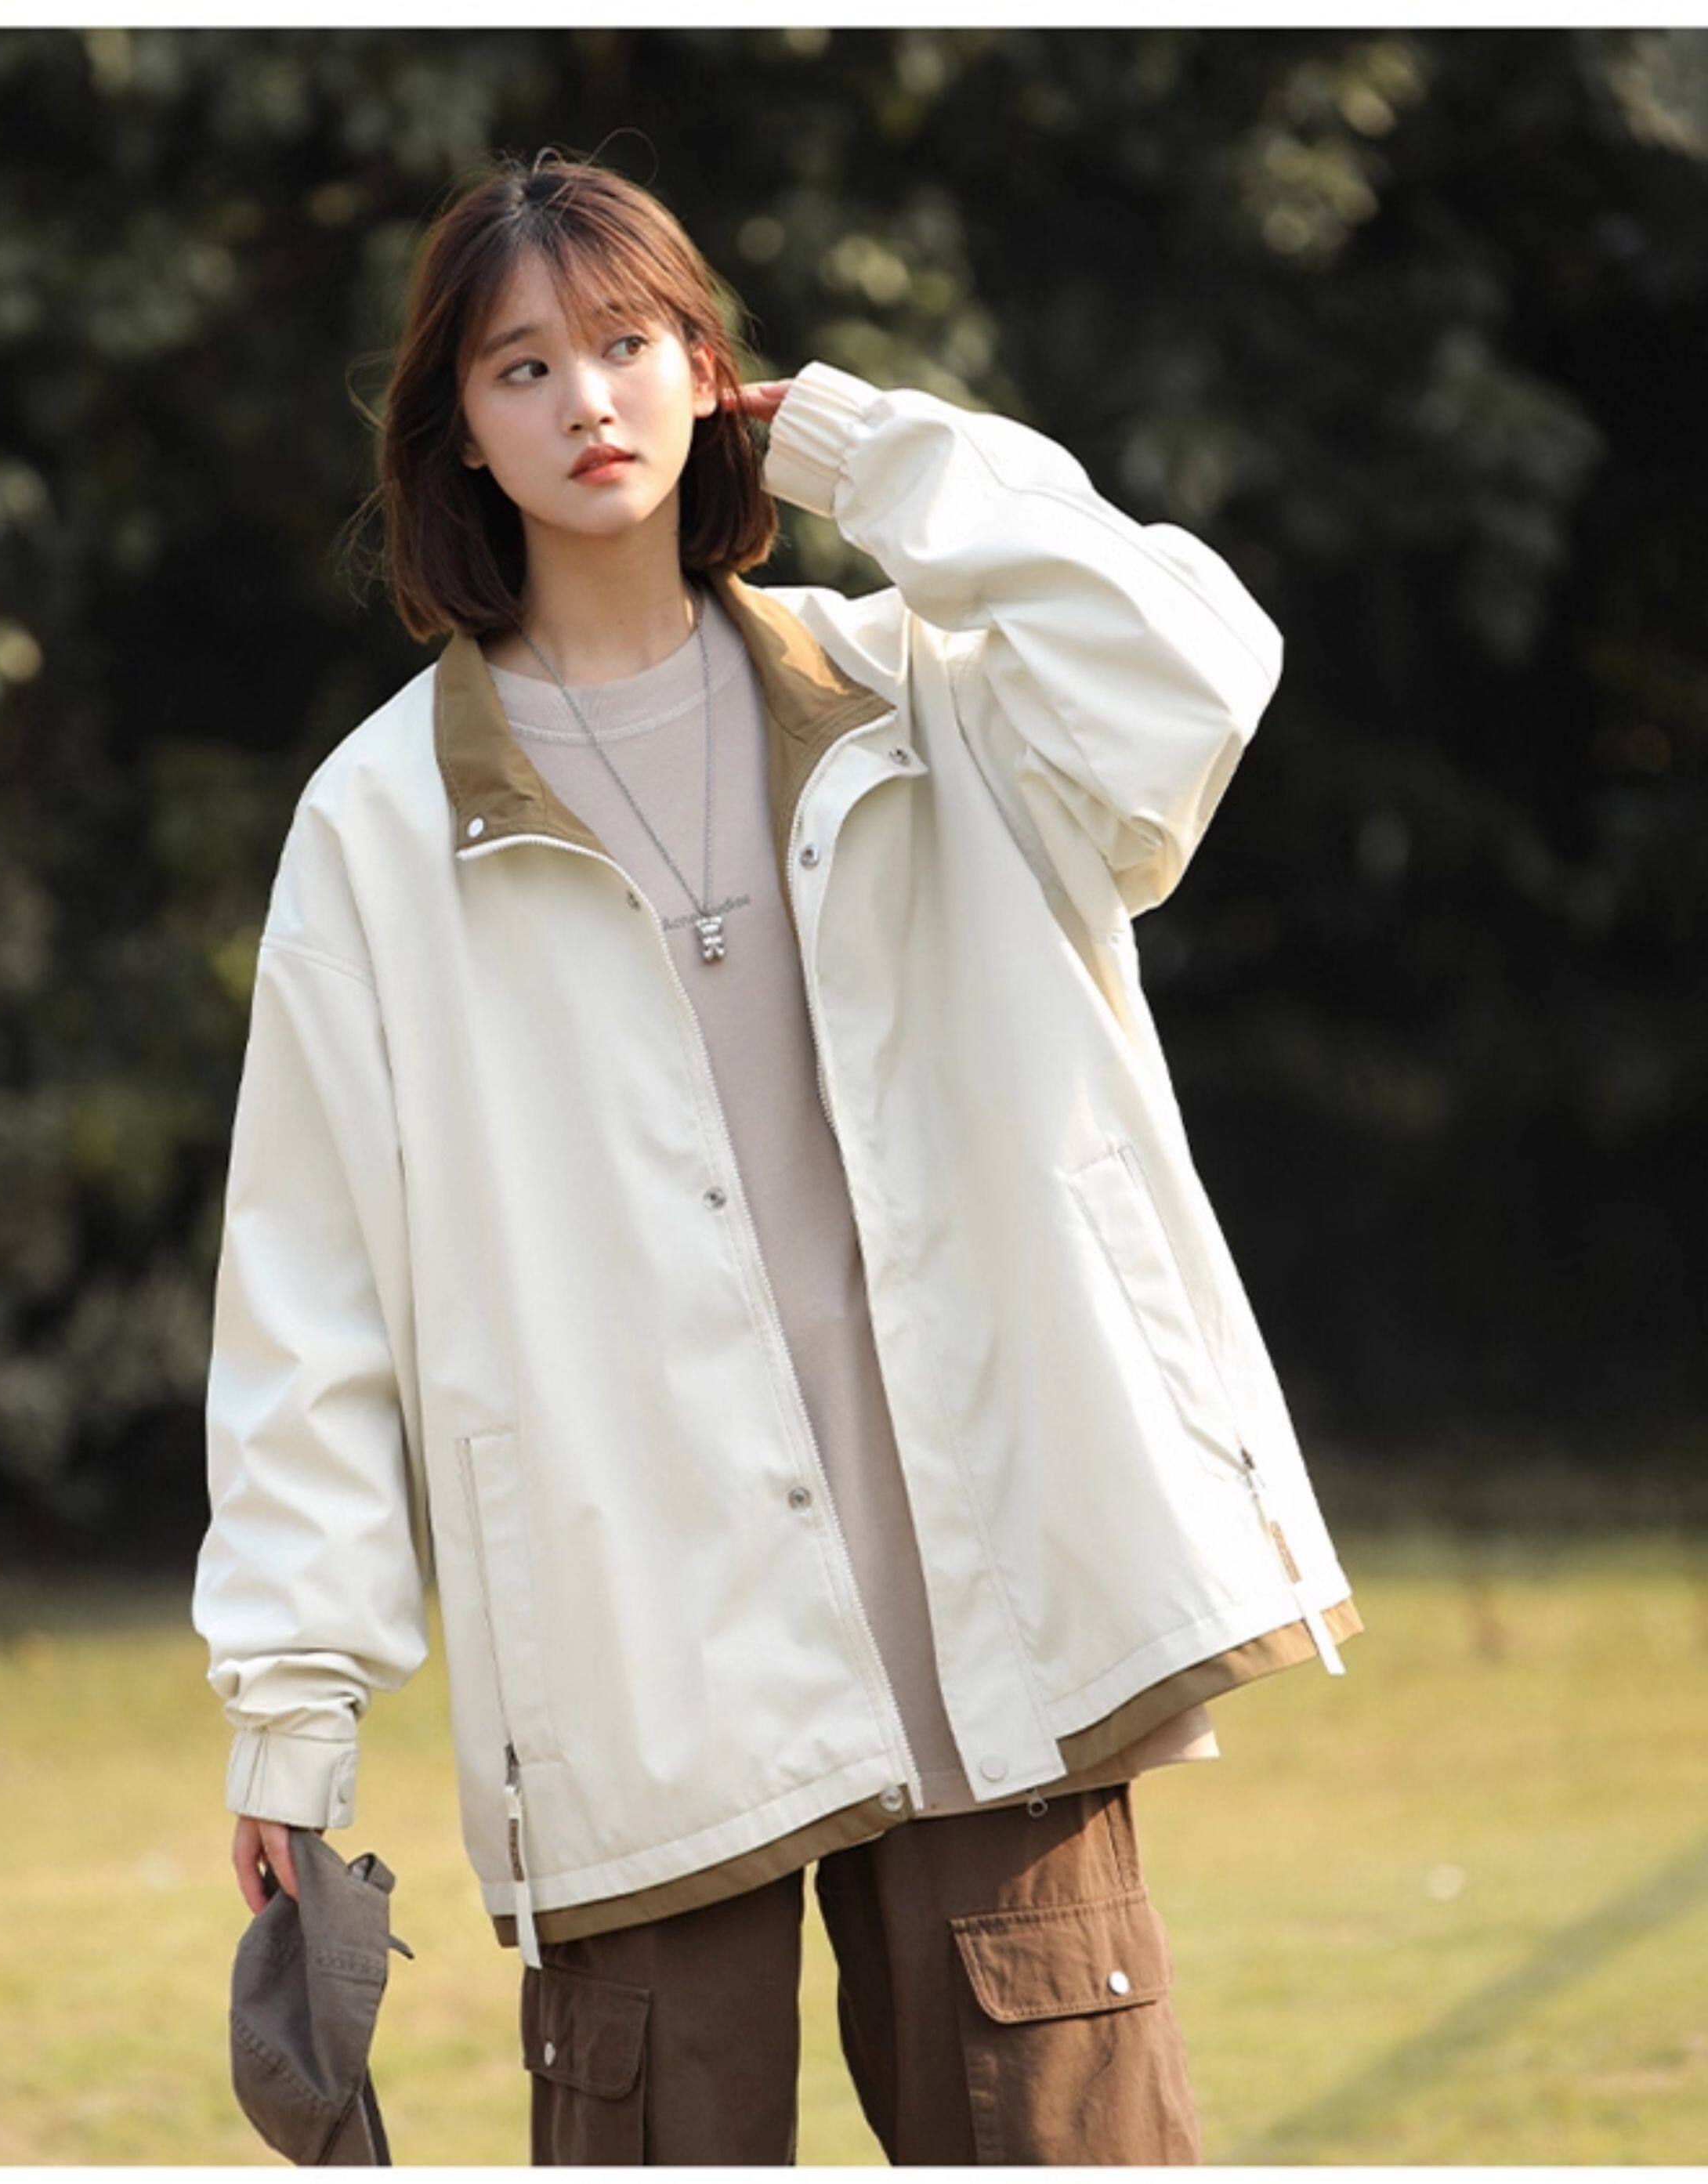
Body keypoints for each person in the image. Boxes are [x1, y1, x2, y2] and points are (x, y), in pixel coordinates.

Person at [194, 145, 1363, 2165]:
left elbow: (1195, 667)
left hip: (992, 1626)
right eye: (522, 366)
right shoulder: (376, 825)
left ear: (704, 368)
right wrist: (293, 1718)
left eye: (629, 343)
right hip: (638, 1660)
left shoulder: (925, 696)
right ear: (456, 429)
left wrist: (859, 446)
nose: (586, 401)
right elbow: (311, 1306)